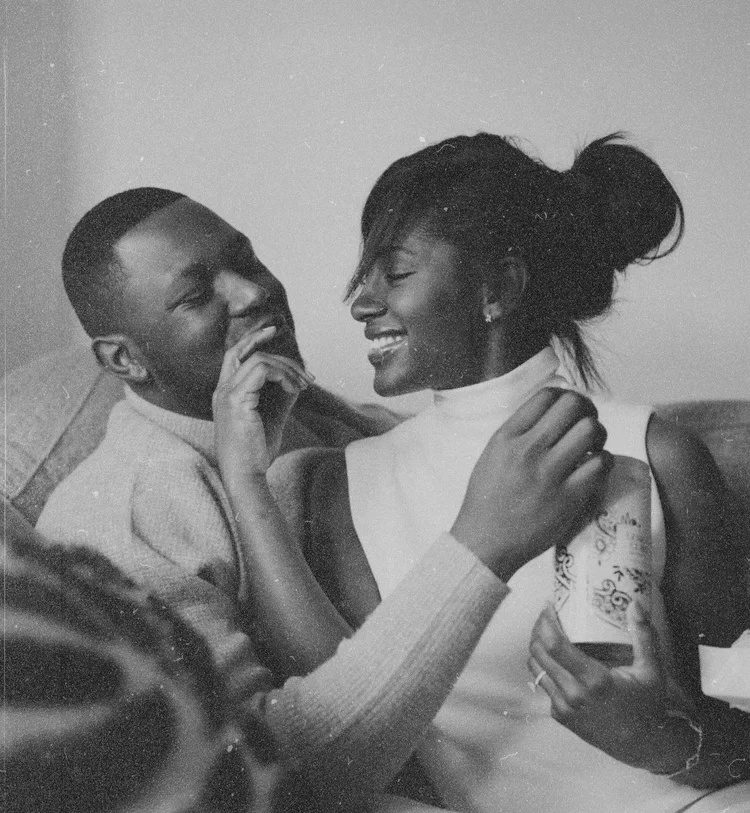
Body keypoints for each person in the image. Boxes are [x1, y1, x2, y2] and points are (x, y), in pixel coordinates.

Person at [35, 187, 612, 812]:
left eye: (247, 261)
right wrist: (478, 550)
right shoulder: (123, 517)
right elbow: (259, 778)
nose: (253, 293)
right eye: (198, 296)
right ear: (123, 359)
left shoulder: (326, 418)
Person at [229, 133, 750, 812]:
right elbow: (340, 732)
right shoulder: (337, 488)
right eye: (366, 274)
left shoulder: (658, 453)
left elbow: (741, 732)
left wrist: (660, 736)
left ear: (498, 288)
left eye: (395, 272)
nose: (360, 301)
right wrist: (243, 479)